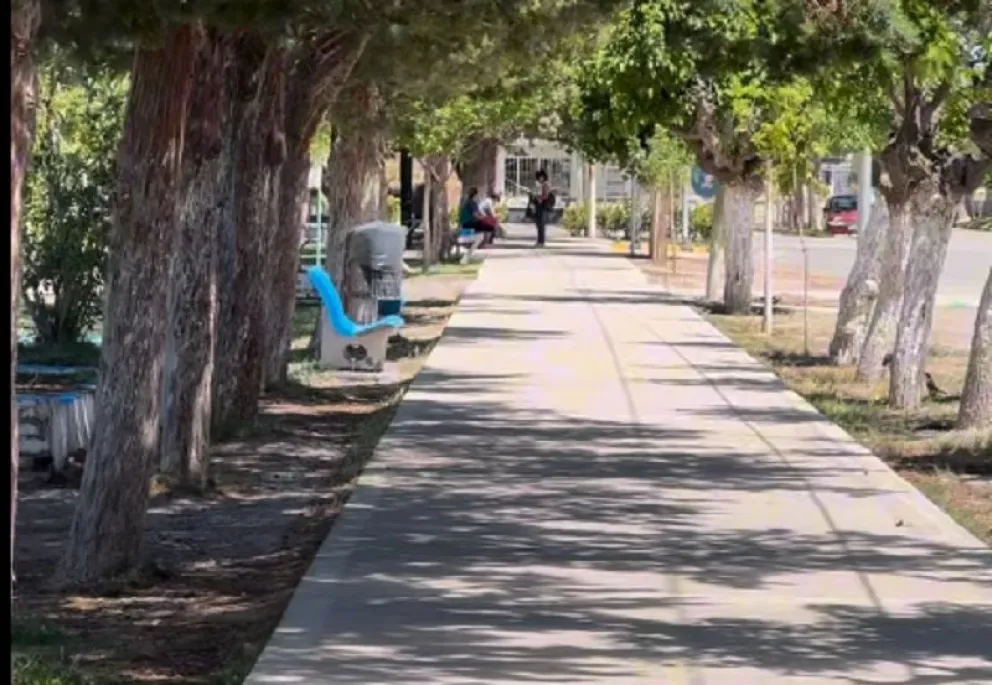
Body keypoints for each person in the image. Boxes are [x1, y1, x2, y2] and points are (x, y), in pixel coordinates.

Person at [531, 169, 553, 247]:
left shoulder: (545, 185)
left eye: (541, 177)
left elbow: (546, 195)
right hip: (538, 206)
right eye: (539, 177)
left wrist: (540, 198)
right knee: (538, 224)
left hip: (543, 206)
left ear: (544, 177)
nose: (540, 179)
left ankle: (541, 241)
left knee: (541, 224)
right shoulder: (539, 185)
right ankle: (539, 241)